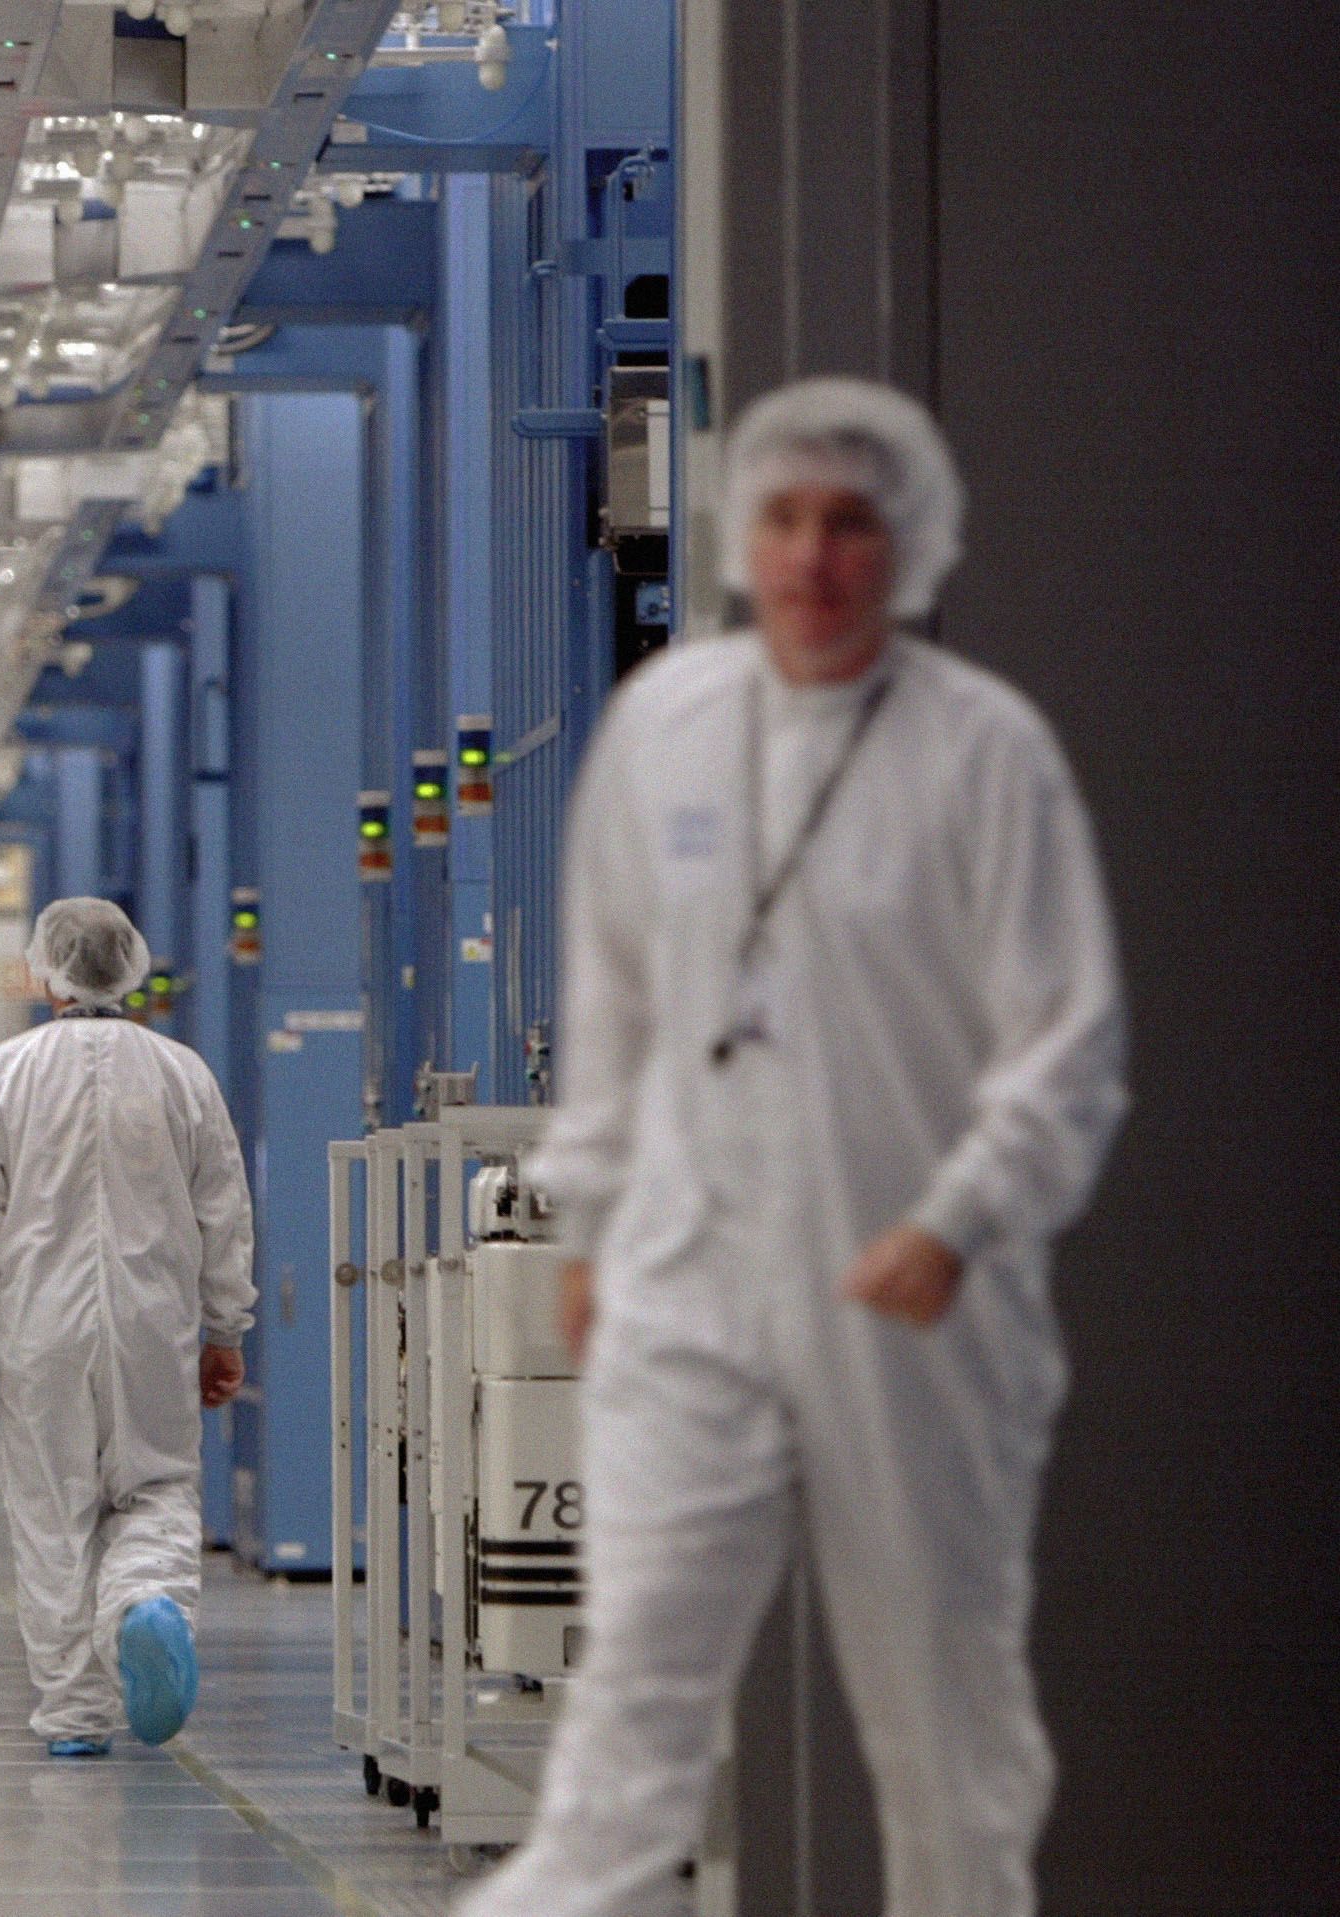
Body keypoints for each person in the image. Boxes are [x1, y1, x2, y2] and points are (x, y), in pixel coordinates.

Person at [457, 378, 1128, 1917]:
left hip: (905, 1297)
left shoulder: (982, 754)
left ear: (912, 546)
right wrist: (590, 1230)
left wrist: (960, 1216)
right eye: (785, 518)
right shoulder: (666, 729)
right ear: (738, 537)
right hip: (688, 1281)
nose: (816, 555)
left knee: (948, 1730)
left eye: (852, 524)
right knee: (627, 1725)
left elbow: (1068, 1040)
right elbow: (615, 1010)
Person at [0, 897, 254, 1758]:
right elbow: (224, 1209)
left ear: (47, 973)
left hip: (41, 1328)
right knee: (156, 1486)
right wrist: (226, 1324)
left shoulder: (1, 1074)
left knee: (50, 1508)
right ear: (131, 965)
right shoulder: (184, 1073)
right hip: (155, 1320)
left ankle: (75, 1710)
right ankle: (147, 1603)